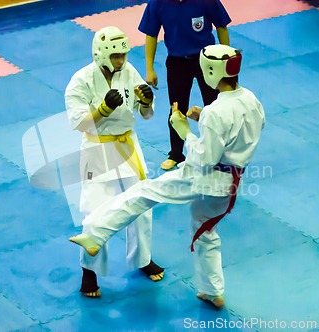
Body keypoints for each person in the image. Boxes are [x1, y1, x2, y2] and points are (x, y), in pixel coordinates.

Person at [70, 44, 265, 308]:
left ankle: (94, 233)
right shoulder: (252, 100)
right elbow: (241, 130)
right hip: (229, 185)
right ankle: (212, 290)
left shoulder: (214, 112)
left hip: (203, 177)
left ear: (210, 70)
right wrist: (203, 122)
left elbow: (203, 158)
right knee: (205, 232)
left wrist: (185, 130)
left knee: (143, 192)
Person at [64, 26, 164, 298]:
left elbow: (144, 115)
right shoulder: (80, 80)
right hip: (98, 150)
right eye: (117, 56)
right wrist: (102, 110)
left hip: (128, 146)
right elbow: (77, 123)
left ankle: (142, 259)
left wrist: (146, 102)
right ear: (102, 54)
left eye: (124, 54)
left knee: (142, 204)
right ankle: (89, 270)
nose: (121, 60)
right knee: (95, 212)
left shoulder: (129, 71)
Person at [138, 0, 232, 170]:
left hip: (207, 60)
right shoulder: (158, 3)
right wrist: (149, 69)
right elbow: (151, 34)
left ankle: (219, 151)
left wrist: (227, 57)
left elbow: (221, 26)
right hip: (177, 62)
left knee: (215, 108)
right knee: (176, 108)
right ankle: (176, 154)